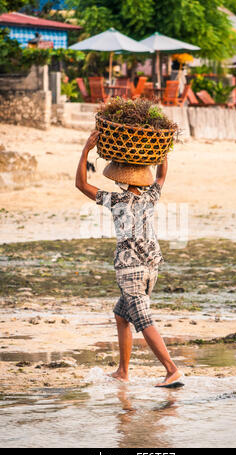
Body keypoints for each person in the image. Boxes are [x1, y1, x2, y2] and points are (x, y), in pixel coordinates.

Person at [75, 130, 182, 388]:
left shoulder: (116, 200)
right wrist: (162, 151)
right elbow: (162, 175)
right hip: (151, 268)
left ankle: (172, 370)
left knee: (143, 320)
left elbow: (81, 184)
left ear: (120, 178)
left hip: (130, 270)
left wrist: (85, 151)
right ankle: (123, 371)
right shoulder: (150, 197)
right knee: (122, 315)